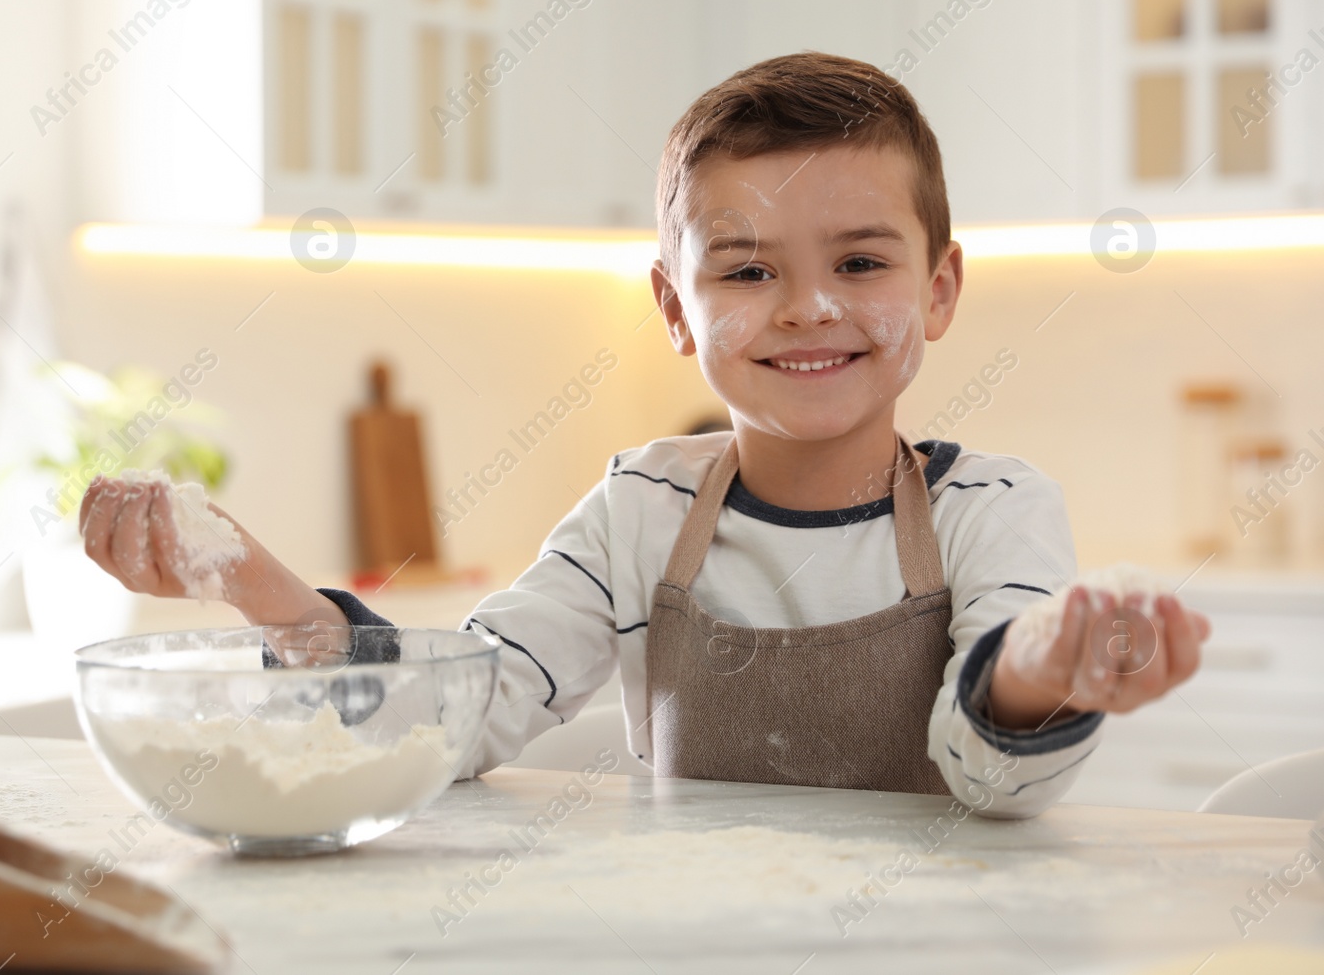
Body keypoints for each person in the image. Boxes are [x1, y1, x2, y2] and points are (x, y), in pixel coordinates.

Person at [78, 52, 1209, 818]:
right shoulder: (637, 510)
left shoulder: (995, 508)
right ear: (675, 309)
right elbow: (458, 713)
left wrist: (1036, 671)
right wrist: (254, 582)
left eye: (859, 262)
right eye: (747, 270)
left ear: (941, 288)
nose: (809, 305)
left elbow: (991, 782)